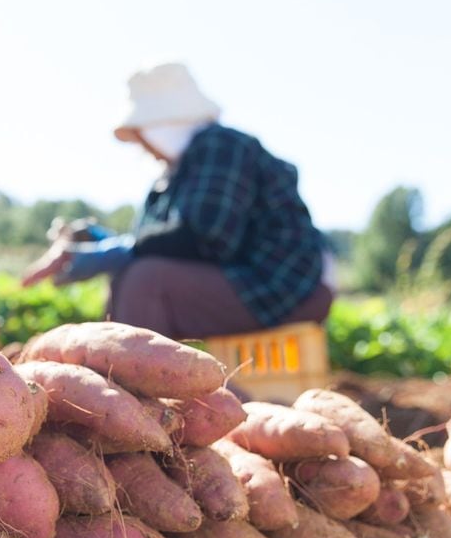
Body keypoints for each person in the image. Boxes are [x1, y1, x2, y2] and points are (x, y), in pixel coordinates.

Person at [22, 62, 333, 340]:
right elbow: (155, 241)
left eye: (143, 136)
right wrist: (91, 240)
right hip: (250, 290)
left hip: (287, 291)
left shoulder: (221, 145)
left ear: (161, 127)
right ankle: (136, 387)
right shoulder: (173, 178)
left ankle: (141, 394)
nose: (145, 149)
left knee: (145, 280)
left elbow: (202, 237)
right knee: (132, 275)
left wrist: (110, 253)